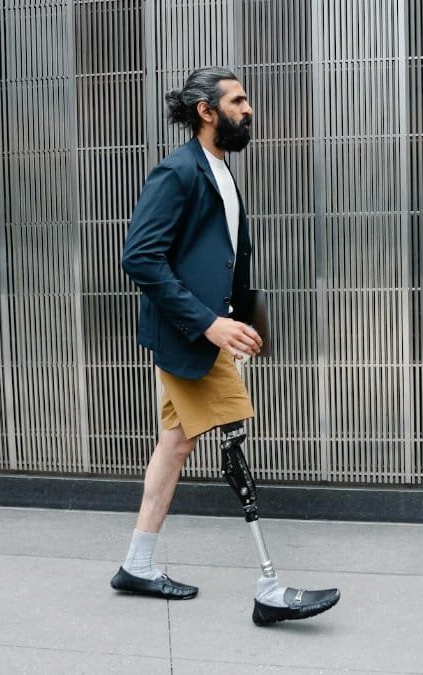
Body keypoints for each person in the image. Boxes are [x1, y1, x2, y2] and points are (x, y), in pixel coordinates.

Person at [113, 66, 340, 626]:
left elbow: (229, 259)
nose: (250, 109)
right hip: (189, 334)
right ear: (206, 112)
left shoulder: (221, 173)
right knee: (233, 436)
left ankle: (137, 565)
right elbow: (140, 257)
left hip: (207, 335)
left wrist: (246, 324)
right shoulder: (177, 172)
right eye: (239, 100)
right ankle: (269, 588)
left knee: (176, 444)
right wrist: (211, 326)